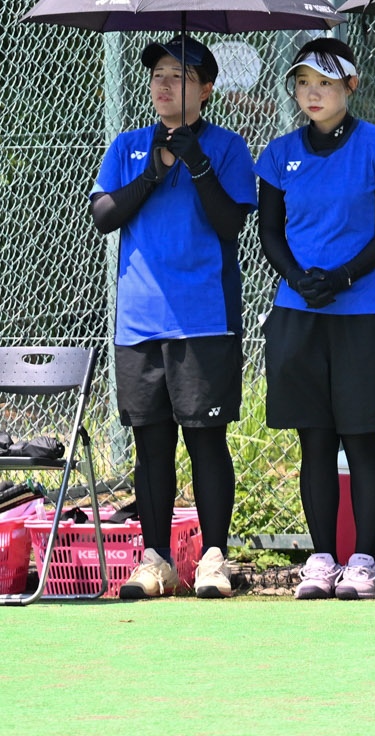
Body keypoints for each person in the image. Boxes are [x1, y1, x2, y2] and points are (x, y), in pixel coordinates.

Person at [89, 35, 259, 600]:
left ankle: (214, 558)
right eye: (158, 74)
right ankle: (155, 559)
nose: (164, 84)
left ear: (206, 89)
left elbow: (230, 224)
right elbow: (104, 216)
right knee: (151, 445)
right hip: (138, 321)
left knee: (206, 440)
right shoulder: (128, 145)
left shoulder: (228, 147)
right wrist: (154, 171)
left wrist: (197, 162)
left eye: (179, 75)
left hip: (204, 317)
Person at [256, 38, 375, 602]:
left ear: (351, 86)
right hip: (297, 313)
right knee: (315, 441)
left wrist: (344, 276)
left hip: (360, 313)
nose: (312, 93)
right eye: (303, 83)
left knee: (362, 439)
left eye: (324, 83)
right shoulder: (278, 154)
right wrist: (298, 279)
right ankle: (321, 560)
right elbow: (270, 231)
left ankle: (364, 562)